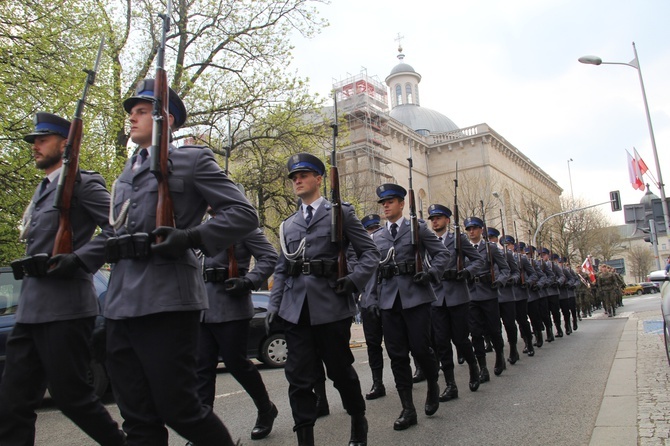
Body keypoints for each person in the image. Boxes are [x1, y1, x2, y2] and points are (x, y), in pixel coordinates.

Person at [104, 79, 259, 445]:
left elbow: (242, 215)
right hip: (120, 303)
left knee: (179, 407)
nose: (132, 118)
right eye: (131, 112)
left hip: (167, 300)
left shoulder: (192, 160)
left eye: (142, 111)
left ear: (167, 119)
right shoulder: (125, 174)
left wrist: (191, 237)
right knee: (137, 415)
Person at [0, 113, 126, 445]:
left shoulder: (83, 183)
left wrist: (79, 259)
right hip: (30, 310)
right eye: (34, 141)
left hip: (65, 309)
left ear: (65, 144)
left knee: (73, 399)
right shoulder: (43, 190)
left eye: (42, 140)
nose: (35, 147)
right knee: (12, 404)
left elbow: (117, 228)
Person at [266, 153, 379, 446]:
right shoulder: (288, 225)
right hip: (296, 311)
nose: (297, 181)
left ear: (319, 178)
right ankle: (305, 437)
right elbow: (282, 267)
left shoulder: (341, 213)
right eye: (293, 177)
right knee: (299, 378)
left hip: (331, 307)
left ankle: (358, 418)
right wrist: (274, 305)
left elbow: (370, 254)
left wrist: (354, 280)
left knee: (340, 373)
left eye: (303, 175)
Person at [367, 184, 449, 431]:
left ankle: (433, 383)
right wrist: (370, 299)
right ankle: (408, 408)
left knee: (421, 349)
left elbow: (442, 255)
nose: (386, 206)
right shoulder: (377, 237)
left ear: (402, 204)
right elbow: (374, 270)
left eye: (390, 201)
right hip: (389, 301)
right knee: (397, 355)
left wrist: (431, 273)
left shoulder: (418, 229)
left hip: (416, 297)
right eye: (383, 203)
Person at [196, 213, 279, 441]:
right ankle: (204, 429)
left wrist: (250, 280)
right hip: (201, 307)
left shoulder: (241, 224)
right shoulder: (198, 225)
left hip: (230, 304)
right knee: (202, 369)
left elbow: (269, 257)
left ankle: (265, 409)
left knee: (237, 363)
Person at [426, 204, 484, 399]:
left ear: (447, 220)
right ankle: (451, 385)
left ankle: (473, 367)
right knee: (441, 342)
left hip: (457, 295)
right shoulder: (427, 240)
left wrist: (467, 272)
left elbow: (478, 260)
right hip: (436, 297)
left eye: (439, 218)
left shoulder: (458, 240)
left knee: (460, 339)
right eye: (432, 218)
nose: (434, 221)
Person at [463, 217, 510, 382]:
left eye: (474, 228)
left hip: (489, 293)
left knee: (494, 330)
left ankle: (499, 355)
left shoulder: (490, 249)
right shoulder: (464, 249)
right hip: (471, 294)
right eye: (468, 229)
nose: (471, 232)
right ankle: (482, 367)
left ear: (481, 230)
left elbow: (505, 269)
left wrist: (499, 281)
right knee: (475, 333)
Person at [358, 214, 388, 401]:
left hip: (388, 301)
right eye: (369, 230)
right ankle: (378, 382)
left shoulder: (387, 247)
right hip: (368, 303)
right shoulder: (360, 250)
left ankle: (418, 368)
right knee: (373, 345)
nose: (372, 233)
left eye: (375, 229)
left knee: (400, 342)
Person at [487, 229, 520, 364]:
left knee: (509, 324)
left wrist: (509, 279)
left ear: (496, 240)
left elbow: (515, 272)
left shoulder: (505, 254)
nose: (489, 240)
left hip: (506, 295)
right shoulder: (480, 253)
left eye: (492, 238)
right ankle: (499, 354)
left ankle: (513, 348)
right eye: (487, 237)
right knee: (494, 327)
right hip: (490, 295)